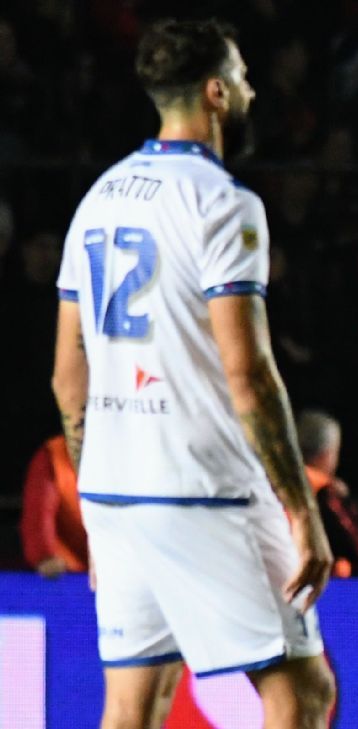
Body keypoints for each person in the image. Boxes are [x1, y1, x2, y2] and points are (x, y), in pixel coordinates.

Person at [49, 19, 335, 729]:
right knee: (303, 693)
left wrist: (99, 508)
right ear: (216, 92)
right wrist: (302, 510)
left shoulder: (97, 199)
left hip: (114, 491)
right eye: (242, 76)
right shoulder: (224, 202)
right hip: (204, 487)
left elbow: (66, 378)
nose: (251, 89)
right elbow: (249, 372)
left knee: (133, 707)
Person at [298, 410, 358, 577]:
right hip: (325, 581)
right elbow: (356, 547)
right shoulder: (326, 494)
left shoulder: (275, 484)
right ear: (326, 453)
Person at [19, 434, 89, 578]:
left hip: (122, 563)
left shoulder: (129, 452)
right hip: (71, 572)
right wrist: (44, 555)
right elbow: (39, 514)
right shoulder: (53, 455)